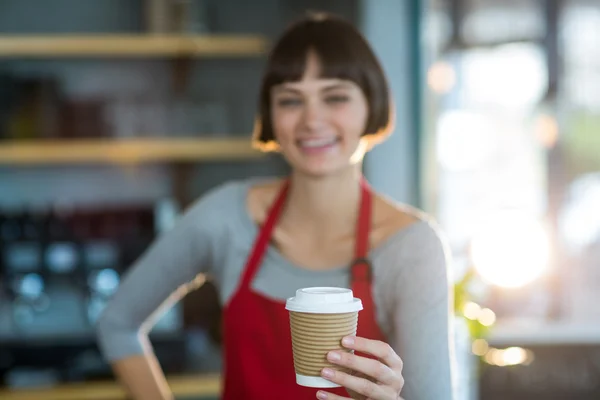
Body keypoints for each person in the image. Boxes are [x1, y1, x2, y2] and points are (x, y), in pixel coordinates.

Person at [96, 11, 455, 400]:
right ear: (271, 116)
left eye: (335, 97)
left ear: (372, 106)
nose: (312, 120)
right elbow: (117, 322)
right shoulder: (227, 218)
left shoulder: (411, 247)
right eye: (290, 100)